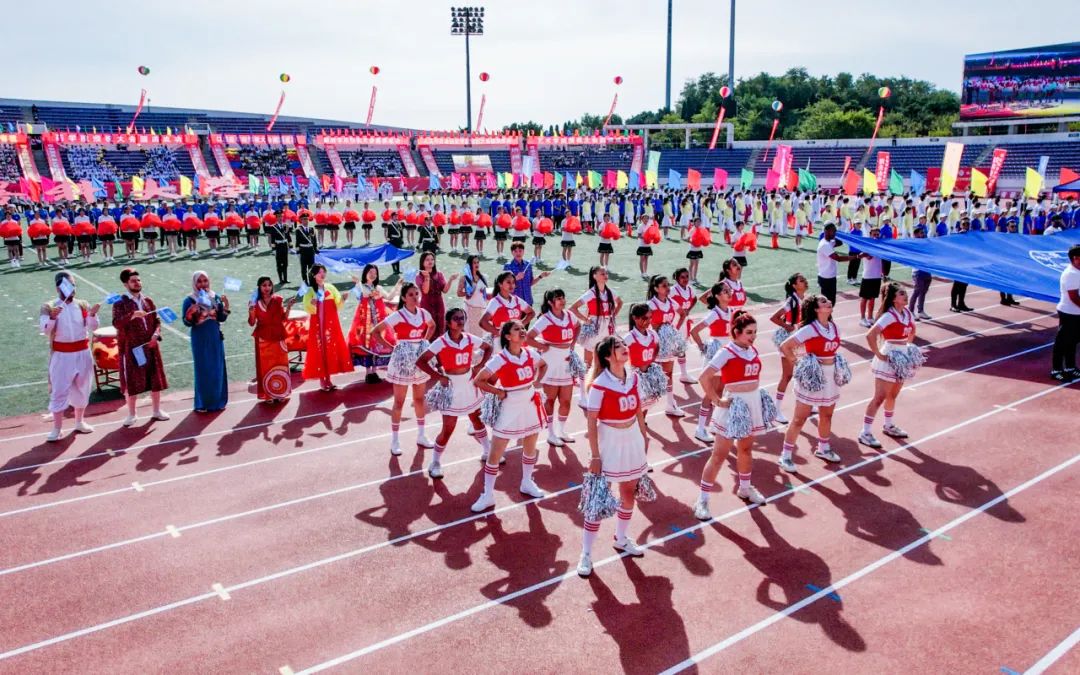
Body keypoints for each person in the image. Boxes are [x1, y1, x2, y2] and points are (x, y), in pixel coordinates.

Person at [576, 335, 650, 577]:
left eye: (624, 345)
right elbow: (591, 422)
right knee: (598, 498)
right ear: (608, 356)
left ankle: (621, 537)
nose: (625, 348)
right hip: (609, 440)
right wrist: (595, 456)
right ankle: (586, 553)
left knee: (628, 491)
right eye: (618, 347)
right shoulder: (599, 385)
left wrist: (644, 435)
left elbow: (638, 409)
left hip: (632, 437)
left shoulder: (634, 377)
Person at [692, 310, 770, 518]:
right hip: (734, 406)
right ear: (736, 332)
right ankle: (702, 500)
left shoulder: (752, 350)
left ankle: (745, 488)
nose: (753, 336)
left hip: (751, 404)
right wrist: (717, 400)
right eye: (749, 332)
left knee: (745, 449)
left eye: (755, 332)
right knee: (719, 455)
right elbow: (704, 377)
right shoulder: (727, 351)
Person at [469, 320, 548, 513]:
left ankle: (527, 482)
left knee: (531, 444)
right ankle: (488, 494)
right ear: (507, 336)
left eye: (523, 328)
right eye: (517, 329)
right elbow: (479, 380)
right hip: (510, 405)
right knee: (496, 452)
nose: (522, 331)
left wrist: (537, 382)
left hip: (530, 402)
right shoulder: (500, 358)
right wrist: (498, 392)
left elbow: (543, 365)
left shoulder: (530, 353)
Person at [416, 308, 493, 478]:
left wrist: (479, 366)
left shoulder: (469, 338)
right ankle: (435, 462)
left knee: (477, 420)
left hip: (469, 384)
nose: (460, 321)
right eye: (456, 318)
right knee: (448, 429)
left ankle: (488, 452)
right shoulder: (441, 342)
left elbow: (488, 347)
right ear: (448, 322)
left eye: (462, 318)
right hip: (451, 387)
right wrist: (439, 376)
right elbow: (421, 361)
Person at [778, 295, 844, 472]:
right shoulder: (810, 329)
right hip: (813, 377)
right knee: (799, 418)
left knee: (827, 415)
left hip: (830, 377)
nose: (828, 303)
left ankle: (823, 448)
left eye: (828, 301)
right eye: (823, 302)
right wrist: (798, 363)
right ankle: (785, 455)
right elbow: (785, 346)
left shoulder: (834, 327)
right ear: (816, 309)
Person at [373, 282, 436, 455]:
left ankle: (421, 435)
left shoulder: (424, 313)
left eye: (416, 294)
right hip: (402, 360)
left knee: (419, 399)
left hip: (419, 359)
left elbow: (432, 325)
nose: (415, 297)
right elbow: (375, 331)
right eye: (411, 295)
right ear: (403, 298)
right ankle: (395, 440)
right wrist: (392, 347)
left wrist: (425, 340)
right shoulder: (398, 315)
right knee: (399, 402)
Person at [40, 272, 100, 441]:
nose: (72, 289)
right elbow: (45, 330)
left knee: (83, 388)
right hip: (62, 355)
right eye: (68, 285)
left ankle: (79, 422)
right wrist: (52, 317)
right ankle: (57, 429)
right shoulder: (49, 306)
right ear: (58, 288)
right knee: (59, 390)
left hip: (83, 353)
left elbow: (93, 327)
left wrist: (92, 315)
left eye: (73, 285)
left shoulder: (82, 305)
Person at [860, 282, 919, 448]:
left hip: (901, 358)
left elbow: (913, 331)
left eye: (905, 293)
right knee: (879, 397)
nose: (906, 296)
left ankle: (888, 425)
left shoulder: (907, 313)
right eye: (901, 293)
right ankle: (865, 432)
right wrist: (879, 354)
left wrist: (907, 348)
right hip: (889, 357)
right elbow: (870, 335)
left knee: (893, 395)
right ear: (893, 298)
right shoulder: (889, 316)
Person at [112, 268, 170, 427]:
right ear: (125, 284)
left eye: (138, 280)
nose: (137, 283)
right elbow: (116, 323)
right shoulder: (120, 303)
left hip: (150, 345)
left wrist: (156, 335)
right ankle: (132, 414)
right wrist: (132, 315)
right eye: (133, 281)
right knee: (132, 380)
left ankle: (156, 410)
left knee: (155, 378)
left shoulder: (148, 301)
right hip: (132, 347)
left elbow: (157, 321)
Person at [527, 289, 580, 447]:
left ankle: (561, 431)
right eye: (558, 298)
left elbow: (578, 326)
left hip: (566, 361)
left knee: (566, 401)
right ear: (550, 302)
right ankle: (550, 434)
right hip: (550, 362)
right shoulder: (546, 319)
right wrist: (542, 347)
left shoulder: (569, 315)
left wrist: (572, 343)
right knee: (550, 400)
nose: (562, 301)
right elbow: (528, 337)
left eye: (563, 297)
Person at [571, 266, 622, 402]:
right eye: (602, 273)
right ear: (594, 276)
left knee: (606, 357)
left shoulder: (609, 292)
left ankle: (602, 387)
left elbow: (620, 302)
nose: (605, 275)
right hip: (595, 326)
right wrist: (586, 320)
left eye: (606, 273)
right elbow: (573, 308)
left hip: (607, 327)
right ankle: (584, 393)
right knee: (588, 361)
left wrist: (613, 316)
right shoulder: (591, 293)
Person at [689, 282, 733, 442]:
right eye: (725, 291)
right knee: (710, 393)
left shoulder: (731, 311)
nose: (729, 293)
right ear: (717, 296)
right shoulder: (715, 313)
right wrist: (703, 347)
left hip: (727, 352)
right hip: (716, 354)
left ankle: (715, 424)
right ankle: (700, 428)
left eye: (729, 290)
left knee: (720, 391)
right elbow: (694, 330)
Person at [182, 271, 230, 412]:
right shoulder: (189, 300)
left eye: (205, 280)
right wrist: (190, 312)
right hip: (200, 338)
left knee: (217, 368)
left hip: (215, 336)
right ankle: (203, 403)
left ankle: (218, 401)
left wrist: (226, 306)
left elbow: (221, 318)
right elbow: (186, 322)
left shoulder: (215, 297)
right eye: (199, 281)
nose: (203, 284)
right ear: (194, 283)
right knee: (203, 369)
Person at [301, 264, 353, 392]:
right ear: (314, 275)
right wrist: (311, 304)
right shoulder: (310, 291)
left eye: (324, 272)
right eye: (319, 272)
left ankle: (328, 378)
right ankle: (322, 380)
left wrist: (343, 299)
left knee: (330, 349)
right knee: (320, 350)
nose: (322, 274)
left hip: (330, 325)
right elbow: (307, 307)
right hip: (317, 325)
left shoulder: (330, 287)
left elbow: (337, 304)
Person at [347, 264, 399, 384]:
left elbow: (389, 297)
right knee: (367, 346)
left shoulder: (378, 288)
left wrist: (398, 285)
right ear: (365, 273)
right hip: (365, 323)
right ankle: (368, 372)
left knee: (377, 345)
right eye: (370, 272)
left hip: (378, 322)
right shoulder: (362, 287)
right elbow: (365, 293)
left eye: (375, 273)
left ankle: (374, 371)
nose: (373, 275)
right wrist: (358, 283)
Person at [768, 272, 808, 425]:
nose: (804, 281)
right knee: (787, 375)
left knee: (803, 372)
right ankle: (776, 410)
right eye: (801, 280)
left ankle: (806, 404)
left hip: (801, 338)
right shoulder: (792, 300)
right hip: (790, 340)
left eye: (804, 279)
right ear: (794, 286)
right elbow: (774, 317)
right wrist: (788, 326)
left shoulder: (804, 299)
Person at [248, 276, 295, 403]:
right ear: (259, 287)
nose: (267, 288)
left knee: (281, 365)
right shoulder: (254, 303)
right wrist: (251, 312)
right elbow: (251, 323)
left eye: (269, 285)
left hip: (279, 335)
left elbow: (283, 318)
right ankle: (268, 395)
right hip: (263, 337)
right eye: (264, 285)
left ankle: (282, 392)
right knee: (266, 367)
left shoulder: (278, 299)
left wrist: (289, 307)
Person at [646, 275, 685, 417]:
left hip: (667, 344)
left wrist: (674, 330)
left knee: (668, 375)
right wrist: (652, 333)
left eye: (668, 285)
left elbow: (682, 314)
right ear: (656, 288)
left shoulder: (671, 302)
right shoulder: (651, 304)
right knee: (650, 375)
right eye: (664, 286)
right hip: (654, 344)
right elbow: (642, 322)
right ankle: (643, 409)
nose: (668, 288)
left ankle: (670, 404)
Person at [479, 271, 534, 344]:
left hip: (515, 340)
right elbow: (483, 322)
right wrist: (500, 333)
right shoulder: (495, 302)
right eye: (508, 282)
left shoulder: (516, 300)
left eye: (513, 282)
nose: (512, 285)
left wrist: (521, 324)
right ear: (500, 284)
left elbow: (531, 313)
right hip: (500, 342)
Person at [1052, 244, 1080, 381]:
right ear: (1075, 258)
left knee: (1073, 341)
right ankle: (1056, 370)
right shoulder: (1071, 274)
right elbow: (1074, 297)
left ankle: (1070, 367)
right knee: (1062, 342)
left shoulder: (1078, 271)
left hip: (1077, 313)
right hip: (1069, 313)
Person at [417, 251, 458, 336]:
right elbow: (425, 291)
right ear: (422, 262)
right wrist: (427, 277)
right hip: (426, 305)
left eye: (432, 259)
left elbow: (445, 290)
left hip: (439, 305)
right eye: (427, 259)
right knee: (428, 328)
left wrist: (450, 280)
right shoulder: (419, 276)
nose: (430, 261)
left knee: (440, 327)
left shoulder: (439, 274)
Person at [670, 267, 697, 384]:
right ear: (677, 278)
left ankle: (684, 374)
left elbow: (695, 299)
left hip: (684, 323)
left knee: (681, 349)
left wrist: (688, 310)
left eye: (687, 276)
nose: (685, 279)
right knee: (669, 350)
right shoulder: (673, 290)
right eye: (682, 277)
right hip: (673, 323)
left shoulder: (690, 289)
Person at [816, 223, 853, 306]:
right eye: (834, 231)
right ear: (827, 231)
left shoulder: (829, 242)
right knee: (827, 303)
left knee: (831, 301)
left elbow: (840, 243)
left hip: (830, 277)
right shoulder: (824, 245)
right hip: (826, 278)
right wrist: (856, 257)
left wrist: (838, 235)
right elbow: (838, 258)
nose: (835, 233)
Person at [503, 242, 550, 307]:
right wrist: (516, 278)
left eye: (520, 251)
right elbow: (505, 285)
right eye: (515, 251)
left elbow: (530, 283)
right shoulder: (508, 266)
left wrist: (541, 276)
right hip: (514, 302)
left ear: (523, 251)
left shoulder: (528, 265)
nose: (518, 253)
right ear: (512, 252)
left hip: (528, 301)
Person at [857, 226, 884, 327]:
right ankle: (862, 318)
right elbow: (868, 257)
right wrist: (876, 248)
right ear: (870, 235)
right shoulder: (867, 246)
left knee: (872, 298)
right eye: (874, 234)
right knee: (864, 298)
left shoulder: (879, 246)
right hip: (868, 276)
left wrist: (883, 273)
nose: (876, 236)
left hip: (877, 276)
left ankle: (870, 317)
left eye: (877, 234)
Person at [458, 254, 490, 337]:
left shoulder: (483, 277)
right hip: (470, 309)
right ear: (469, 264)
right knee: (470, 333)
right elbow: (459, 293)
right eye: (474, 263)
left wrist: (485, 292)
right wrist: (468, 293)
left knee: (482, 333)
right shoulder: (464, 278)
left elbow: (486, 293)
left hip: (482, 308)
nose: (477, 264)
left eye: (478, 262)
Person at [908, 226, 933, 321]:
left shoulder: (925, 242)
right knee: (917, 291)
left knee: (923, 292)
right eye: (921, 233)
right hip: (917, 271)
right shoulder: (913, 244)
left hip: (926, 271)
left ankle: (920, 311)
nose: (923, 234)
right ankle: (910, 311)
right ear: (915, 234)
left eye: (923, 232)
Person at [265, 212, 292, 285]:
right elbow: (272, 239)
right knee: (279, 264)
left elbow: (288, 236)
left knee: (285, 263)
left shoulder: (286, 226)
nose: (280, 218)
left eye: (281, 217)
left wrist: (290, 246)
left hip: (285, 246)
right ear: (276, 218)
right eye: (279, 217)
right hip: (278, 246)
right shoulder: (273, 227)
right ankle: (281, 279)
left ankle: (285, 279)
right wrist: (273, 249)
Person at [295, 210, 318, 285]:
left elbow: (314, 240)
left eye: (307, 219)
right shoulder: (299, 230)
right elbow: (297, 241)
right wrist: (298, 252)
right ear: (301, 220)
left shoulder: (312, 229)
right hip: (303, 251)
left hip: (311, 251)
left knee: (311, 268)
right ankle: (305, 282)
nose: (306, 221)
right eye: (304, 219)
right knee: (304, 268)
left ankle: (311, 281)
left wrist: (315, 249)